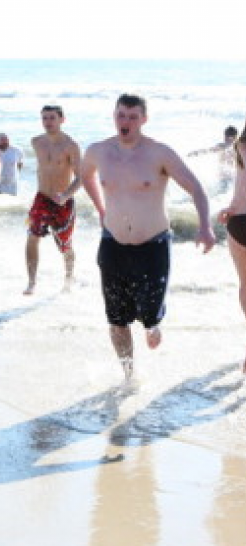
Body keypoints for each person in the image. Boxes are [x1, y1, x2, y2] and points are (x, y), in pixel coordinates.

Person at [81, 93, 214, 379]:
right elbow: (85, 176)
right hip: (112, 244)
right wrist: (100, 208)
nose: (125, 121)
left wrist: (205, 226)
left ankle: (153, 323)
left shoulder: (159, 153)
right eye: (120, 115)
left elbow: (197, 188)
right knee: (116, 320)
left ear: (143, 119)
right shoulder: (97, 151)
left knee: (149, 314)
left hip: (152, 246)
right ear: (113, 115)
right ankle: (128, 375)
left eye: (132, 116)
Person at [24, 105, 82, 295]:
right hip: (41, 198)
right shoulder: (36, 142)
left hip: (62, 201)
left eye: (52, 118)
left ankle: (69, 278)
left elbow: (81, 177)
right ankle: (32, 282)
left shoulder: (70, 146)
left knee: (65, 245)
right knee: (32, 237)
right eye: (44, 118)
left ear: (62, 120)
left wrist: (65, 195)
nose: (48, 122)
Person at [216, 121, 246, 371]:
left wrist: (231, 208)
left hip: (238, 221)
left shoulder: (240, 146)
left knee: (245, 287)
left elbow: (239, 189)